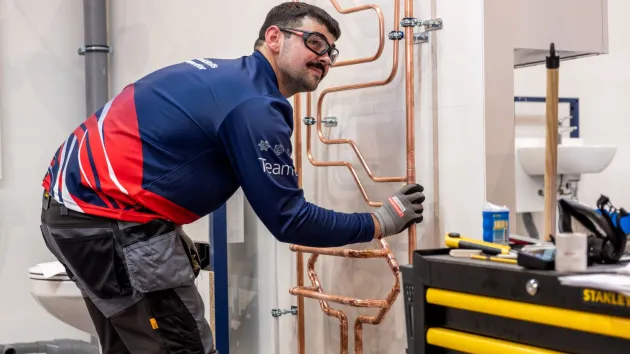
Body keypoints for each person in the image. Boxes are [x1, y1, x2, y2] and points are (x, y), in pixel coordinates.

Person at [38, 2, 425, 353]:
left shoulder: (225, 77)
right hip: (104, 223)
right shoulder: (255, 104)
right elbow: (290, 219)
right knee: (182, 346)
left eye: (331, 52)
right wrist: (380, 221)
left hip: (71, 209)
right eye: (315, 43)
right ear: (274, 37)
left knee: (129, 347)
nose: (325, 59)